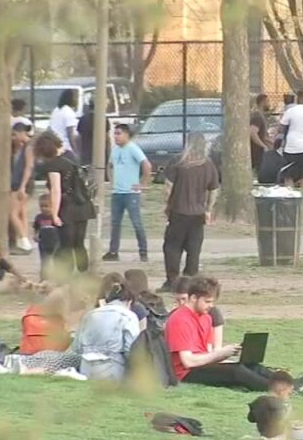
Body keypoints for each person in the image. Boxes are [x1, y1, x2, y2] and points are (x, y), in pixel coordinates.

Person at [165, 276, 303, 392]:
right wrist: (220, 354)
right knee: (237, 371)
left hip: (202, 365)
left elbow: (207, 352)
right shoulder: (180, 319)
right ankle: (284, 390)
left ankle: (293, 383)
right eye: (207, 302)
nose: (211, 306)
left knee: (251, 365)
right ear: (193, 298)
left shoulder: (206, 318)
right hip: (186, 373)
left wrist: (226, 354)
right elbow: (188, 361)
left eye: (212, 302)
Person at [159, 133, 219, 291]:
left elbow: (168, 187)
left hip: (178, 211)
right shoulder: (208, 165)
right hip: (198, 214)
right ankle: (190, 281)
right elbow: (213, 190)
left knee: (172, 247)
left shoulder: (178, 162)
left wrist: (167, 205)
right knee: (194, 249)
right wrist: (208, 209)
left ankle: (172, 280)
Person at [33, 131, 91, 275]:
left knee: (66, 245)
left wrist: (54, 214)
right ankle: (84, 274)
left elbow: (56, 190)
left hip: (67, 207)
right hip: (83, 204)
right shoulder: (71, 156)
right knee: (79, 243)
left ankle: (66, 277)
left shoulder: (53, 165)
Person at [71, 280, 142, 382]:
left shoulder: (90, 315)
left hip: (86, 366)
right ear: (129, 301)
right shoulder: (128, 316)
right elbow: (131, 348)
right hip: (113, 365)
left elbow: (77, 347)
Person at [104, 124, 152, 262]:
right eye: (115, 133)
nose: (116, 136)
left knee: (136, 222)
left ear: (127, 134)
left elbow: (146, 165)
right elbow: (110, 165)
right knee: (115, 223)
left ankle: (143, 251)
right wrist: (111, 181)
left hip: (131, 193)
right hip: (117, 193)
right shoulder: (114, 150)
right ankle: (113, 251)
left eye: (119, 133)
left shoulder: (132, 148)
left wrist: (142, 184)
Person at [247, 371, 295, 438]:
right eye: (289, 394)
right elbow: (282, 423)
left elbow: (251, 419)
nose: (289, 398)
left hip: (263, 437)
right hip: (278, 438)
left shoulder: (259, 402)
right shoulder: (279, 406)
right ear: (282, 389)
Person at [10, 122, 34, 253]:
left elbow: (29, 167)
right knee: (22, 212)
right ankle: (24, 240)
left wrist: (22, 186)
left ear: (21, 133)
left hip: (21, 183)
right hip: (22, 183)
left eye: (14, 135)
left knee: (13, 214)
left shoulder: (29, 147)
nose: (13, 138)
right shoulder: (23, 147)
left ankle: (24, 241)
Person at [33, 193, 59, 282]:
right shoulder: (39, 217)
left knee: (56, 260)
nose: (44, 208)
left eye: (46, 206)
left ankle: (58, 277)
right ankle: (43, 278)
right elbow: (36, 228)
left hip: (55, 242)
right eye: (42, 206)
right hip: (43, 243)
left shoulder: (55, 217)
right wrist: (36, 235)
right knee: (44, 261)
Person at [49, 89, 79, 154]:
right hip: (66, 148)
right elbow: (71, 134)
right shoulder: (69, 112)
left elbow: (50, 128)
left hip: (55, 145)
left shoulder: (56, 110)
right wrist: (75, 151)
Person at [250, 94, 272, 172]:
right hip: (257, 153)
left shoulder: (260, 116)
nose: (269, 104)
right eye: (268, 101)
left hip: (261, 153)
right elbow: (252, 133)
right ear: (263, 102)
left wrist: (271, 142)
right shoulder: (257, 117)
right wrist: (263, 146)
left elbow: (263, 135)